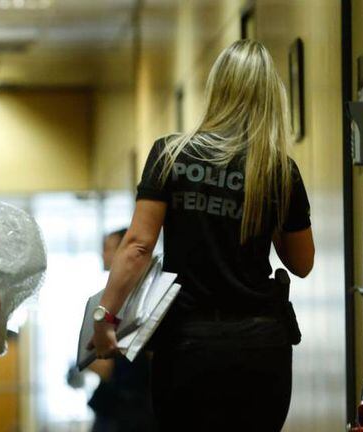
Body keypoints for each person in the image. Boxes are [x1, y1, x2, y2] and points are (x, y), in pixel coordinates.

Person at [89, 40, 315, 432]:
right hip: (261, 345)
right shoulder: (279, 171)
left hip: (187, 344)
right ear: (271, 97)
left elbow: (138, 245)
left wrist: (105, 315)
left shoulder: (171, 155)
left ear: (217, 89)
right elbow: (302, 262)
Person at [87, 229, 155, 432]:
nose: (103, 254)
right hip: (126, 406)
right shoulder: (126, 298)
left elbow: (104, 367)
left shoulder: (118, 303)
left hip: (131, 409)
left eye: (108, 248)